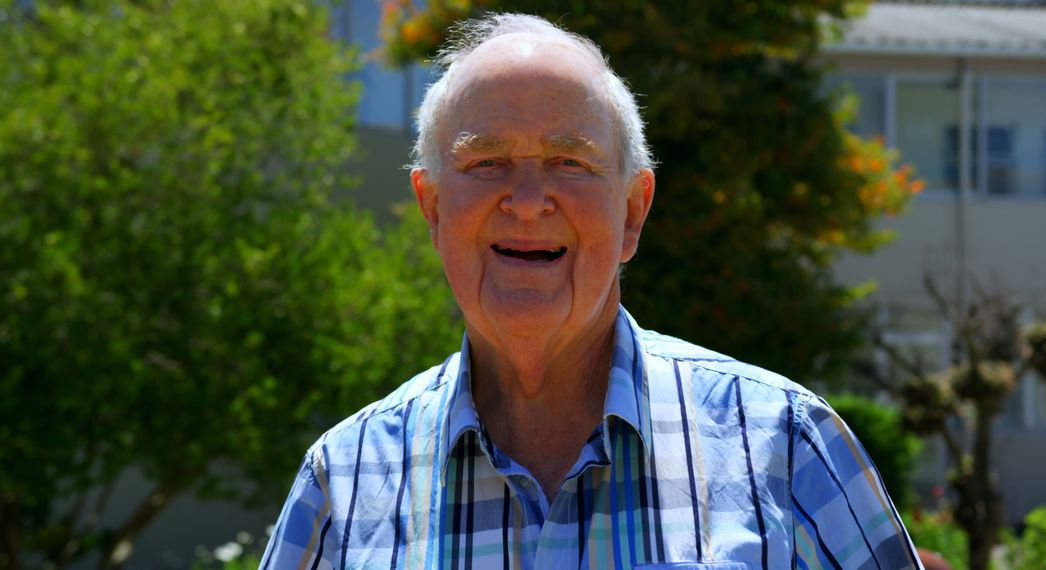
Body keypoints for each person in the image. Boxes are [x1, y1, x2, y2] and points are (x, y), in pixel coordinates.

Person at [260, 13, 923, 570]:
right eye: (486, 161)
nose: (527, 201)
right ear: (432, 209)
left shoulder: (787, 448)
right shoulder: (341, 485)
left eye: (569, 163)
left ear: (633, 211)